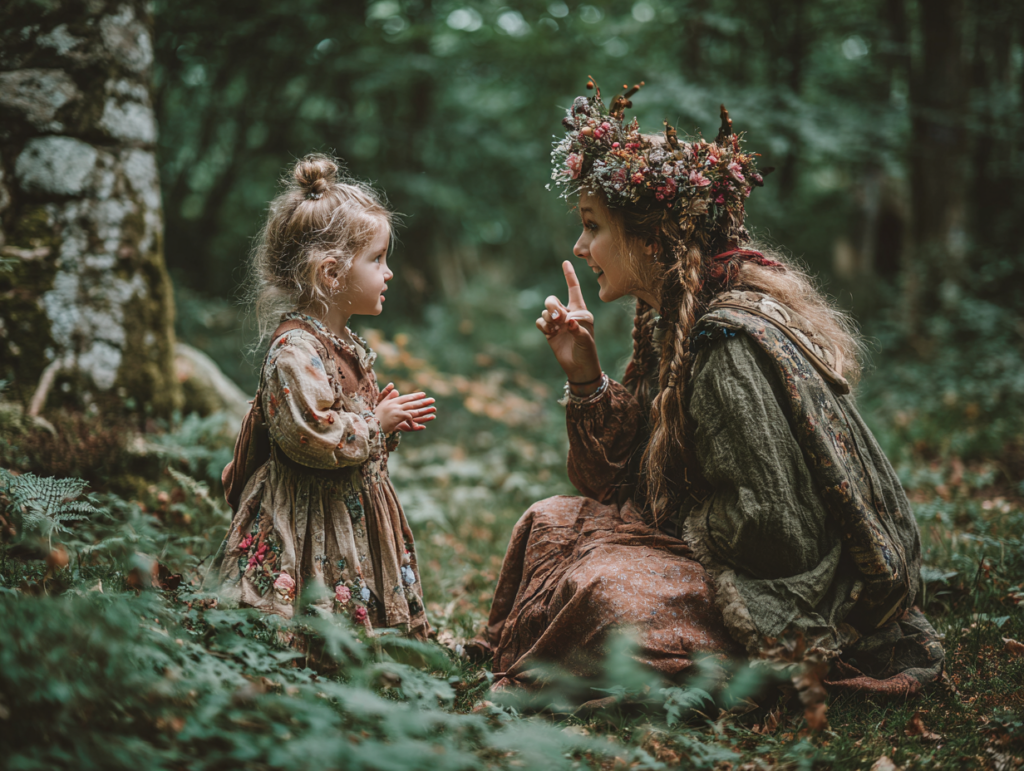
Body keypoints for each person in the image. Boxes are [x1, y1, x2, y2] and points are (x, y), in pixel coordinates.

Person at [487, 82, 944, 696]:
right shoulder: (666, 320)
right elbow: (614, 484)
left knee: (603, 594)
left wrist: (659, 529)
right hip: (719, 554)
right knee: (545, 523)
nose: (579, 246)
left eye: (593, 227)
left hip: (789, 593)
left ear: (650, 239)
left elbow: (778, 534)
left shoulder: (724, 344)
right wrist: (586, 377)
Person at [213, 154, 435, 639]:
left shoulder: (343, 344)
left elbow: (344, 428)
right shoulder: (296, 350)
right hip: (308, 513)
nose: (389, 272)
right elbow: (311, 434)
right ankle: (310, 648)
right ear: (332, 274)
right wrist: (375, 423)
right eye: (377, 259)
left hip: (343, 503)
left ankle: (357, 646)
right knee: (311, 604)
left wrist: (382, 423)